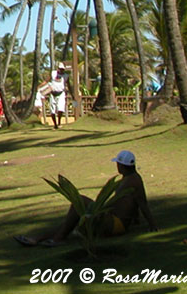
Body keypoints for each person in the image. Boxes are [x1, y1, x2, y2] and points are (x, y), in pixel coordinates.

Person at [15, 150, 158, 247]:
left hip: (115, 224)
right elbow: (133, 204)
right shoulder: (129, 178)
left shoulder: (133, 180)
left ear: (121, 165)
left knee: (80, 201)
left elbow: (142, 202)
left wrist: (152, 226)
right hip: (112, 220)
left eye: (118, 164)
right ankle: (39, 238)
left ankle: (54, 239)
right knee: (71, 221)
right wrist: (136, 219)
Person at [48, 62, 68, 129]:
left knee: (60, 108)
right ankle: (55, 124)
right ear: (58, 69)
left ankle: (59, 122)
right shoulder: (53, 74)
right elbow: (47, 80)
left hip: (61, 93)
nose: (61, 70)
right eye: (60, 69)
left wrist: (72, 94)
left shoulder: (65, 76)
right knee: (52, 110)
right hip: (53, 94)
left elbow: (68, 85)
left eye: (62, 69)